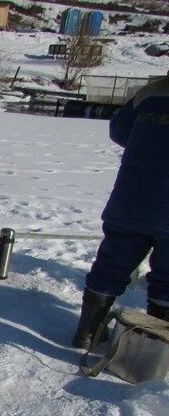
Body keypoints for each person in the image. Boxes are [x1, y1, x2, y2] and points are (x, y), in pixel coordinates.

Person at [72, 73, 169, 348]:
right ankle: (153, 346)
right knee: (167, 281)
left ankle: (87, 334)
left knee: (110, 266)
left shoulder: (151, 92)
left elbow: (119, 131)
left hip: (131, 198)